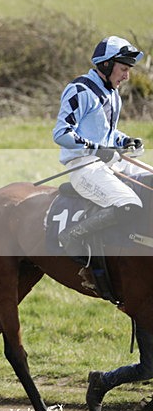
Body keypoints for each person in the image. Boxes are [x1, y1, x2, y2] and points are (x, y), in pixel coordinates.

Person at [52, 36, 148, 256]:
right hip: (83, 166)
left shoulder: (112, 94)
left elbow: (106, 133)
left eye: (128, 70)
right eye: (123, 69)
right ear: (106, 65)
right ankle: (71, 236)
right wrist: (95, 150)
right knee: (129, 204)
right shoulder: (80, 89)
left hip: (110, 162)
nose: (127, 76)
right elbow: (61, 133)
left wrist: (125, 141)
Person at [86, 326, 153, 411]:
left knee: (148, 369)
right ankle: (102, 381)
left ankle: (102, 381)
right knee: (149, 368)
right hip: (147, 319)